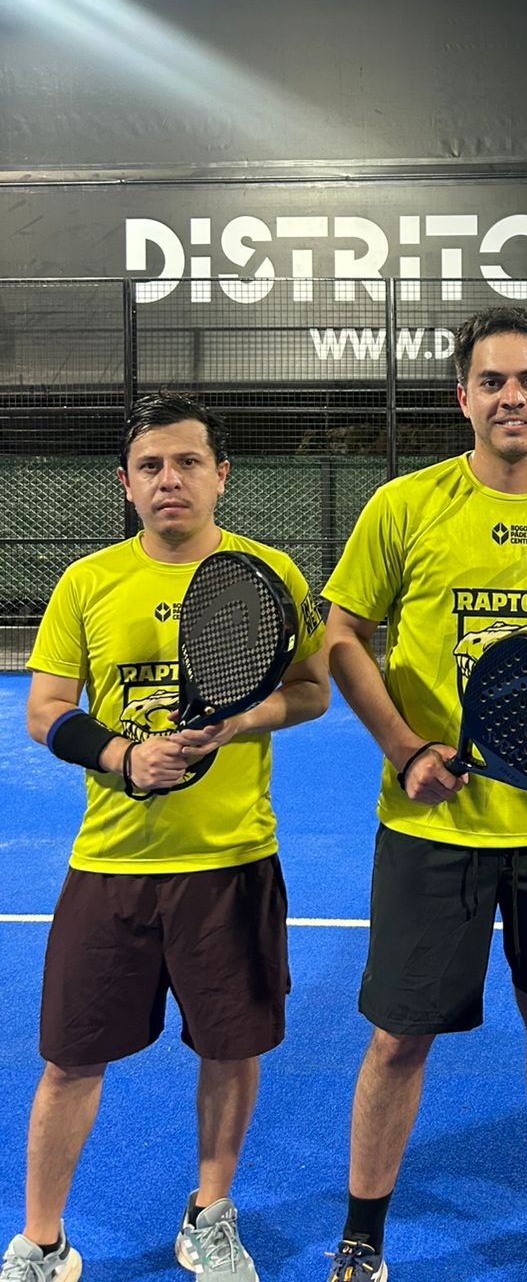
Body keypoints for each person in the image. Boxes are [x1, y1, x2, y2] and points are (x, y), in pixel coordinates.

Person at [321, 305, 527, 1282]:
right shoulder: (404, 506)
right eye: (492, 381)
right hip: (432, 823)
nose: (511, 397)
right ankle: (362, 1237)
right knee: (398, 1036)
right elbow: (341, 634)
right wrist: (406, 747)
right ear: (463, 397)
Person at [3, 391, 329, 1282]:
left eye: (187, 462)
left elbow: (311, 690)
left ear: (222, 475)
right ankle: (41, 1242)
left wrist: (242, 720)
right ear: (126, 483)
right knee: (69, 1058)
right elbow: (44, 708)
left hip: (232, 862)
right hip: (110, 864)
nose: (169, 479)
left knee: (230, 1048)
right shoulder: (87, 582)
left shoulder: (270, 573)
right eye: (150, 466)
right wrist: (120, 755)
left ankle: (209, 1216)